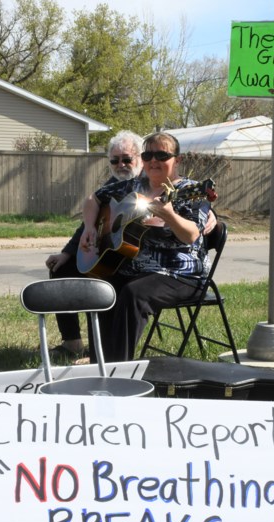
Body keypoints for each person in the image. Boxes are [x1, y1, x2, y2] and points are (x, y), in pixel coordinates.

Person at [80, 132, 212, 362]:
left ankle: (119, 368)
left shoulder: (191, 191)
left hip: (181, 274)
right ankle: (98, 363)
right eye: (148, 154)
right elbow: (94, 198)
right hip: (135, 269)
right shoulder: (133, 186)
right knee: (99, 290)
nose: (154, 160)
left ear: (177, 160)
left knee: (133, 294)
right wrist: (90, 227)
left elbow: (191, 235)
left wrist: (169, 216)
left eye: (162, 155)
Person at [44, 130, 145, 357]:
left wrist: (212, 219)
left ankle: (102, 351)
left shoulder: (150, 183)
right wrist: (67, 253)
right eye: (115, 160)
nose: (121, 165)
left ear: (140, 158)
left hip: (136, 264)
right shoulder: (113, 184)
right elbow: (89, 220)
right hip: (111, 254)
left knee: (97, 279)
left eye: (127, 159)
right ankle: (72, 343)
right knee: (61, 270)